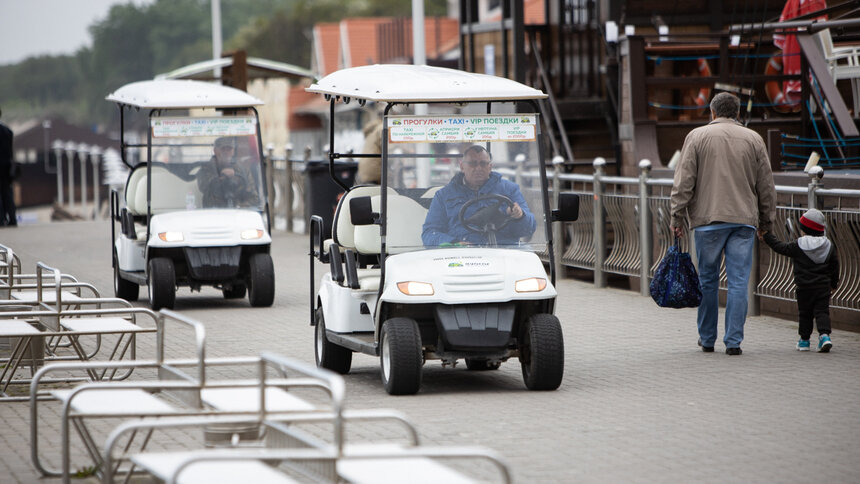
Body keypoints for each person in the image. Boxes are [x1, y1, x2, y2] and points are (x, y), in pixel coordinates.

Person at [670, 92, 776, 356]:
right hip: (743, 221)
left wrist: (676, 215)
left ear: (712, 111)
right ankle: (734, 341)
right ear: (737, 113)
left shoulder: (696, 137)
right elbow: (766, 186)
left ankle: (707, 339)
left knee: (708, 281)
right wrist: (767, 220)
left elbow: (684, 181)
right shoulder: (754, 139)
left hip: (708, 221)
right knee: (740, 281)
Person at [422, 144, 536, 246]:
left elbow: (529, 229)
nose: (478, 168)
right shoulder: (443, 195)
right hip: (462, 256)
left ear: (490, 167)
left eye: (483, 164)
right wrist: (454, 243)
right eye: (472, 163)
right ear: (462, 167)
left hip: (504, 252)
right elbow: (429, 233)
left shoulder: (510, 189)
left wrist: (520, 216)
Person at [760, 209, 839, 352]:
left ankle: (804, 341)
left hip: (804, 287)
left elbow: (780, 247)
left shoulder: (799, 244)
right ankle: (825, 336)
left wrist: (767, 236)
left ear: (805, 229)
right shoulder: (829, 246)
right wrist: (833, 284)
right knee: (822, 312)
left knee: (805, 313)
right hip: (822, 287)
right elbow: (835, 266)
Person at [196, 136, 259, 208]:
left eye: (229, 149)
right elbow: (203, 187)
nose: (226, 152)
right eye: (223, 149)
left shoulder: (243, 170)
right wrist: (219, 178)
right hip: (213, 213)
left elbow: (254, 198)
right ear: (215, 151)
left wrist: (236, 177)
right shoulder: (206, 169)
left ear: (233, 151)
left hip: (238, 214)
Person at [0, 108, 17, 226]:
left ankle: (1, 219)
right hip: (6, 167)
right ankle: (12, 219)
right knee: (7, 193)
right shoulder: (8, 131)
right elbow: (11, 151)